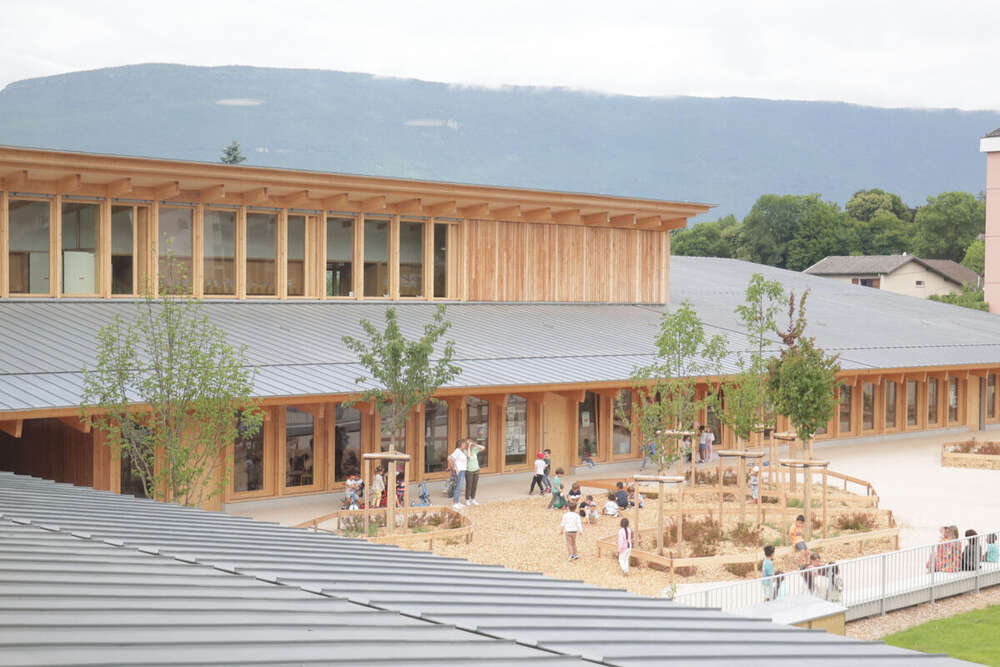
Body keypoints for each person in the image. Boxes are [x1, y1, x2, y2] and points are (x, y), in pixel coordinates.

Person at [448, 439, 468, 511]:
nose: (465, 445)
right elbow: (450, 458)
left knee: (459, 487)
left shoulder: (462, 452)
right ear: (461, 444)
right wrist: (454, 468)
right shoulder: (457, 451)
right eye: (464, 444)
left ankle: (457, 502)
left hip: (463, 470)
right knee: (458, 487)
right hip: (459, 471)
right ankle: (455, 503)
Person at [465, 438, 485, 506]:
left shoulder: (475, 450)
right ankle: (467, 499)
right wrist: (468, 447)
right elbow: (468, 456)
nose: (470, 445)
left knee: (474, 486)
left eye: (470, 443)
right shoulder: (465, 451)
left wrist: (475, 445)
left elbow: (483, 448)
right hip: (469, 471)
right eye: (468, 443)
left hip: (476, 470)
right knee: (469, 486)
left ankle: (473, 499)